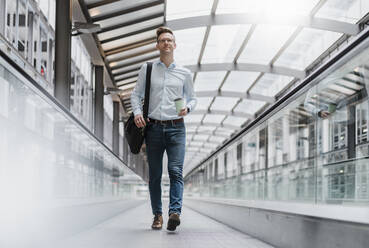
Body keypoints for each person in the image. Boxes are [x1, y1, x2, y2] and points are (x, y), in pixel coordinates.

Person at [130, 27, 197, 231]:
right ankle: (157, 215)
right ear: (157, 45)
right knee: (156, 175)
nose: (166, 43)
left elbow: (192, 98)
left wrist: (188, 107)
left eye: (169, 40)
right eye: (162, 40)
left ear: (175, 45)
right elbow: (135, 94)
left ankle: (174, 212)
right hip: (154, 129)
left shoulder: (184, 73)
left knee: (176, 171)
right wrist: (137, 113)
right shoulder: (148, 69)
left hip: (177, 128)